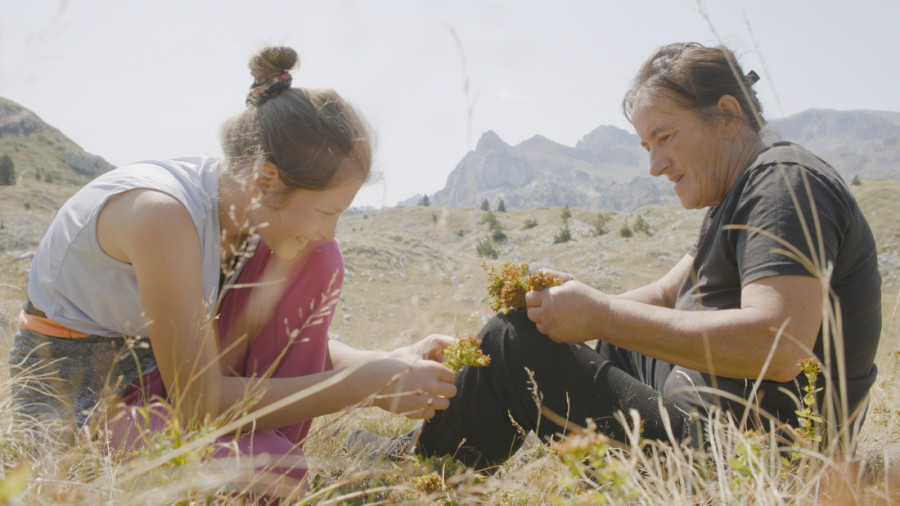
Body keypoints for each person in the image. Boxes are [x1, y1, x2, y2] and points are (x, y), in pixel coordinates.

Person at [8, 46, 457, 495]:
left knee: (318, 260)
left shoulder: (247, 214)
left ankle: (264, 445)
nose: (330, 231)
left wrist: (389, 364)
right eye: (326, 211)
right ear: (267, 179)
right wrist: (361, 387)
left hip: (165, 381)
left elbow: (295, 344)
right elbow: (198, 400)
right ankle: (256, 455)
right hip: (85, 399)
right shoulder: (160, 215)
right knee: (272, 474)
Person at [415, 42, 881, 469]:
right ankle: (436, 447)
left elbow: (781, 349)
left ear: (728, 115)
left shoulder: (783, 184)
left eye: (665, 138)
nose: (655, 166)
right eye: (645, 147)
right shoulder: (737, 195)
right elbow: (664, 294)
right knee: (586, 335)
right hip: (715, 430)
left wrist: (601, 317)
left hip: (747, 459)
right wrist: (574, 304)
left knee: (510, 340)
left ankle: (433, 469)